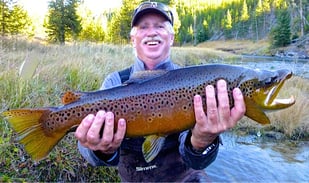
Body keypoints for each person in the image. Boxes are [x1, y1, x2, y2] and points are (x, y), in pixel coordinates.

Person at [75, 1, 246, 182]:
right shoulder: (115, 82)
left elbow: (198, 161)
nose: (151, 32)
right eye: (143, 27)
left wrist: (202, 141)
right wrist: (100, 149)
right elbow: (90, 153)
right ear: (133, 39)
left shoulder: (192, 83)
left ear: (171, 37)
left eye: (160, 26)